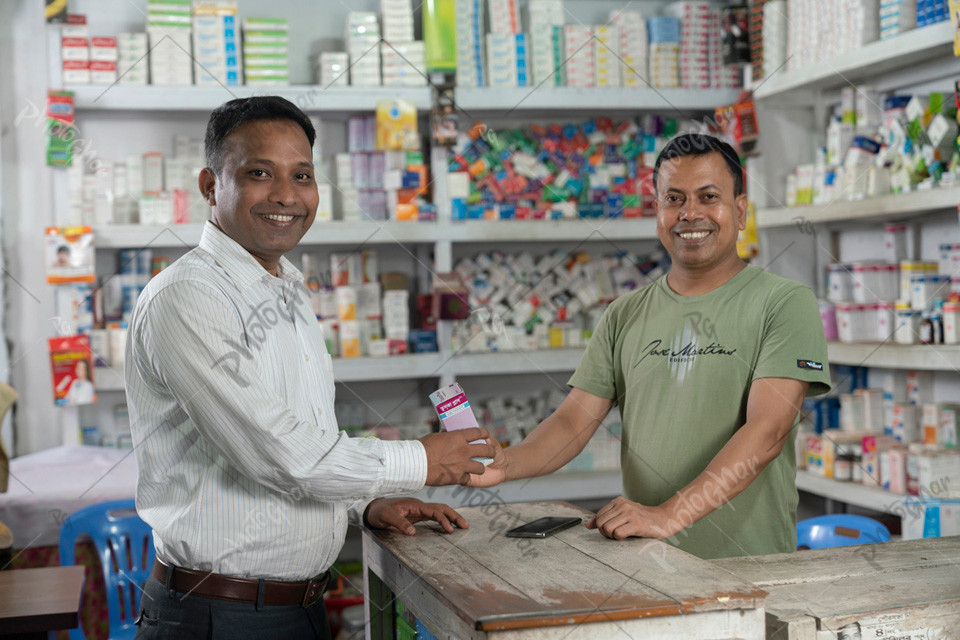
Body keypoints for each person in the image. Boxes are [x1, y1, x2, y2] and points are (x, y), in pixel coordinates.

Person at [125, 96, 496, 639]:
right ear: (210, 186)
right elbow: (277, 452)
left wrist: (367, 505)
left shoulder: (288, 289)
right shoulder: (188, 298)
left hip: (293, 609)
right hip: (221, 615)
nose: (286, 196)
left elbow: (308, 439)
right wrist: (418, 458)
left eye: (302, 175)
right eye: (259, 173)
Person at [472, 133, 832, 559]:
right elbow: (572, 424)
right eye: (674, 199)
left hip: (749, 567)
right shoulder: (624, 314)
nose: (690, 213)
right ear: (658, 211)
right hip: (650, 565)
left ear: (739, 211)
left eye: (708, 196)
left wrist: (668, 515)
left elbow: (766, 432)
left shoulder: (784, 302)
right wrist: (505, 464)